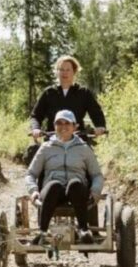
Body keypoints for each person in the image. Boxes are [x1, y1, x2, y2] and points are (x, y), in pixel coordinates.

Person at [25, 109, 104, 245]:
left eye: (67, 123)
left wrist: (96, 191)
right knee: (54, 185)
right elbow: (31, 174)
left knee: (75, 184)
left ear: (75, 127)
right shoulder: (46, 148)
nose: (63, 127)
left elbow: (96, 174)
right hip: (53, 191)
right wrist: (33, 190)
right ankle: (43, 232)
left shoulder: (84, 148)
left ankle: (84, 230)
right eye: (59, 123)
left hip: (76, 192)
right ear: (54, 127)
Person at [30, 56, 107, 140]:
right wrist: (35, 128)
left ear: (74, 72)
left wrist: (100, 126)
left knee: (88, 153)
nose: (64, 73)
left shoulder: (83, 92)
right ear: (57, 72)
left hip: (78, 140)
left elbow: (96, 113)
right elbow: (36, 115)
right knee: (36, 152)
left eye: (68, 70)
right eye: (61, 69)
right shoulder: (49, 93)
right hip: (53, 141)